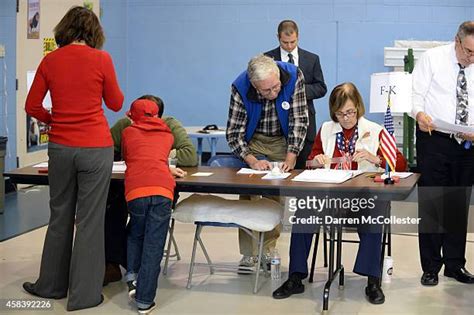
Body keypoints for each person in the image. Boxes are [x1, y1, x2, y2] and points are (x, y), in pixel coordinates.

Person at [23, 6, 123, 311]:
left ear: (65, 29)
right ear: (94, 33)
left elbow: (31, 105)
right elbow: (116, 103)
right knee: (91, 221)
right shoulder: (102, 59)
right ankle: (84, 296)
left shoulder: (50, 60)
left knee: (60, 216)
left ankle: (50, 286)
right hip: (95, 146)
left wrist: (51, 119)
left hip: (61, 148)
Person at [272, 82, 407, 304]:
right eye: (340, 113)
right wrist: (315, 161)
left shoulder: (375, 130)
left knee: (375, 212)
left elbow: (401, 164)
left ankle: (372, 280)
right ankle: (296, 276)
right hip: (330, 199)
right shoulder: (326, 129)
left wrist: (376, 158)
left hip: (362, 200)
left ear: (359, 108)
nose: (345, 118)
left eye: (350, 112)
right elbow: (309, 162)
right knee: (304, 213)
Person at [103, 94, 198, 285]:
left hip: (157, 186)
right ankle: (112, 264)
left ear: (159, 117)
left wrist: (157, 156)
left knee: (142, 223)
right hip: (127, 184)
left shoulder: (170, 125)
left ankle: (129, 265)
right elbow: (104, 148)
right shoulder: (125, 125)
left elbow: (190, 156)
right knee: (112, 209)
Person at [226, 54, 308, 268]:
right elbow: (234, 133)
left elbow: (299, 119)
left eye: (276, 87)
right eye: (266, 90)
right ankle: (249, 253)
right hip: (253, 141)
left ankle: (268, 248)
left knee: (275, 195)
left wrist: (292, 153)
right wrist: (251, 160)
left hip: (281, 139)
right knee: (248, 195)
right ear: (254, 85)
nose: (273, 93)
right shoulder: (240, 87)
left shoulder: (293, 75)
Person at [412, 21, 474, 286]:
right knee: (433, 204)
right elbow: (414, 95)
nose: (472, 58)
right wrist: (419, 114)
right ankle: (430, 267)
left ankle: (455, 264)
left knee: (458, 206)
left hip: (468, 144)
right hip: (434, 140)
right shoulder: (432, 58)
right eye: (469, 51)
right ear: (457, 41)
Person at [121, 99, 186, 314]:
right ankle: (144, 300)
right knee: (154, 244)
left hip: (135, 191)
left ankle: (132, 276)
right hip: (162, 190)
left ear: (133, 115)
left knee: (135, 232)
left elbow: (128, 157)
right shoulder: (168, 134)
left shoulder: (128, 133)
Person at [265, 20, 327, 169]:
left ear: (298, 37)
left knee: (304, 168)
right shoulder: (267, 59)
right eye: (285, 42)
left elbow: (321, 88)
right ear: (277, 37)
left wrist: (298, 91)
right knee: (279, 171)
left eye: (293, 42)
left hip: (305, 120)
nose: (289, 46)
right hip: (277, 124)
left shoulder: (312, 59)